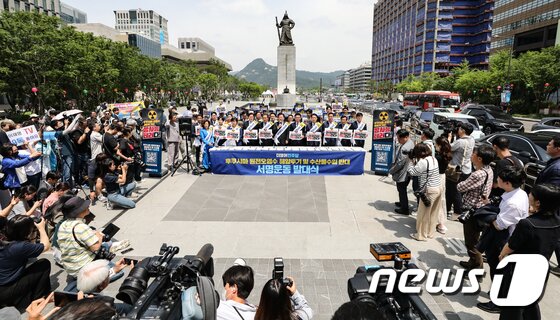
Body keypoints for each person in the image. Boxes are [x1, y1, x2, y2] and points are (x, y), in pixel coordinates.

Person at [497, 184, 560, 320]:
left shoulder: (527, 224)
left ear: (538, 202)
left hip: (520, 270)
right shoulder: (556, 222)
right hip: (540, 269)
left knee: (512, 308)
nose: (529, 195)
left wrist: (502, 255)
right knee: (531, 303)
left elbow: (511, 246)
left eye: (531, 194)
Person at [476, 166, 528, 314]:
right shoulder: (519, 193)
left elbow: (499, 225)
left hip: (504, 242)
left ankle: (498, 303)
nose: (496, 180)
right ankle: (498, 294)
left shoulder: (513, 203)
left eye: (499, 179)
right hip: (506, 239)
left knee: (499, 271)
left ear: (507, 183)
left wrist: (487, 214)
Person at [0, 215, 51, 311]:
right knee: (43, 264)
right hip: (6, 291)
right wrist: (41, 229)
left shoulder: (4, 239)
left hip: (2, 286)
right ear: (26, 232)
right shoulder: (20, 246)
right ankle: (38, 299)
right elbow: (46, 246)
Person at [457, 144, 495, 270]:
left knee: (471, 242)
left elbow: (460, 187)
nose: (472, 155)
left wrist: (461, 180)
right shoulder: (489, 170)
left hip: (472, 210)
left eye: (474, 154)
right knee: (475, 238)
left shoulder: (478, 174)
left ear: (479, 159)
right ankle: (472, 262)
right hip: (480, 208)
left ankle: (477, 268)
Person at [533, 136, 560, 275]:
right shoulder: (554, 162)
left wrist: (538, 205)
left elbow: (552, 193)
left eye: (550, 144)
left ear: (557, 148)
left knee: (553, 234)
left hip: (551, 208)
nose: (547, 146)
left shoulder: (556, 168)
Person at [407, 143, 442, 241]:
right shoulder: (433, 159)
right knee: (433, 213)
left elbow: (413, 172)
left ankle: (421, 235)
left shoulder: (423, 162)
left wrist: (410, 162)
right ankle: (430, 233)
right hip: (438, 188)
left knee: (423, 214)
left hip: (429, 191)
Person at [446, 122, 475, 217]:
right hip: (466, 169)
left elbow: (448, 148)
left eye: (459, 129)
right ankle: (447, 208)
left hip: (457, 170)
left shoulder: (460, 142)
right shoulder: (471, 140)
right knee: (454, 190)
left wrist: (449, 138)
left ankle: (457, 213)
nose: (458, 130)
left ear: (463, 131)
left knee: (455, 191)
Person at [390, 129, 414, 215]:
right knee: (401, 189)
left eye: (399, 139)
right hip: (407, 170)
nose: (398, 140)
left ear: (405, 137)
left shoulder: (405, 147)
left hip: (403, 171)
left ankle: (404, 208)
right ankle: (402, 202)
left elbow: (400, 163)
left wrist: (392, 170)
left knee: (401, 189)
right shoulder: (410, 142)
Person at [435, 136, 452, 234]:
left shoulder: (438, 157)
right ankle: (441, 222)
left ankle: (436, 222)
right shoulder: (447, 155)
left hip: (436, 177)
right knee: (441, 200)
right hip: (442, 177)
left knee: (435, 200)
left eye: (436, 144)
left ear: (439, 145)